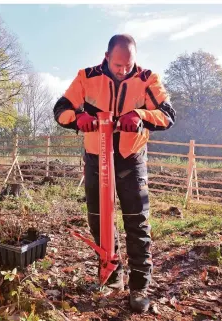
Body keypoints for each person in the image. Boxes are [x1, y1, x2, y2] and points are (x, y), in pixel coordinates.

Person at [53, 34, 176, 313]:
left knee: (137, 223)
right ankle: (111, 276)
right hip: (97, 159)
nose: (123, 71)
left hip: (130, 160)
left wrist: (141, 115)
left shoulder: (147, 79)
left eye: (128, 66)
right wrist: (78, 119)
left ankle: (139, 287)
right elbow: (61, 110)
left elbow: (168, 115)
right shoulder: (86, 76)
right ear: (107, 57)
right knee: (99, 221)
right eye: (118, 65)